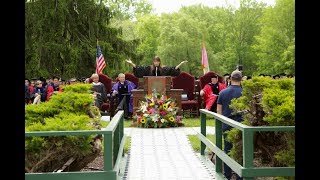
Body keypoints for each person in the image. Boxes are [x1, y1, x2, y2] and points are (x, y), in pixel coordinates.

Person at [217, 69, 243, 180]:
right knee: (241, 150)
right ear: (241, 79)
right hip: (242, 126)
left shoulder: (223, 92)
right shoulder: (245, 93)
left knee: (227, 149)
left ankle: (227, 175)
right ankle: (240, 176)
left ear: (230, 79)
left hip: (227, 125)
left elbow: (219, 111)